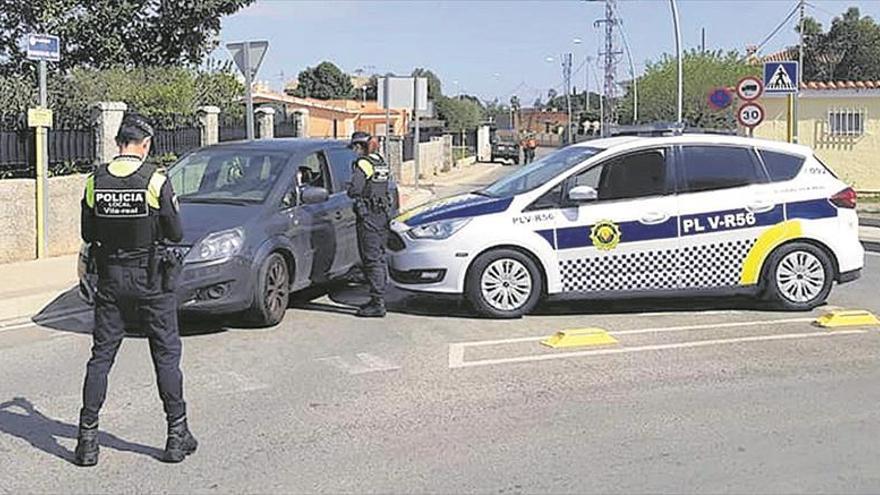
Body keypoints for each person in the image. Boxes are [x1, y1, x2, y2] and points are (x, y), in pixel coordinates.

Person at [75, 112, 197, 466]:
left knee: (101, 357)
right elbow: (175, 233)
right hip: (152, 281)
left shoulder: (94, 180)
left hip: (111, 280)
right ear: (145, 145)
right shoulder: (156, 180)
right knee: (165, 356)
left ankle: (87, 441)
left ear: (117, 144)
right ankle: (177, 436)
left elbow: (88, 233)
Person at [346, 131, 392, 318]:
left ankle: (377, 303)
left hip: (369, 216)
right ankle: (379, 295)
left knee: (371, 258)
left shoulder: (364, 164)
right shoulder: (380, 161)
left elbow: (355, 189)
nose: (355, 150)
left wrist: (349, 189)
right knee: (379, 256)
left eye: (356, 147)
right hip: (382, 214)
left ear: (362, 146)